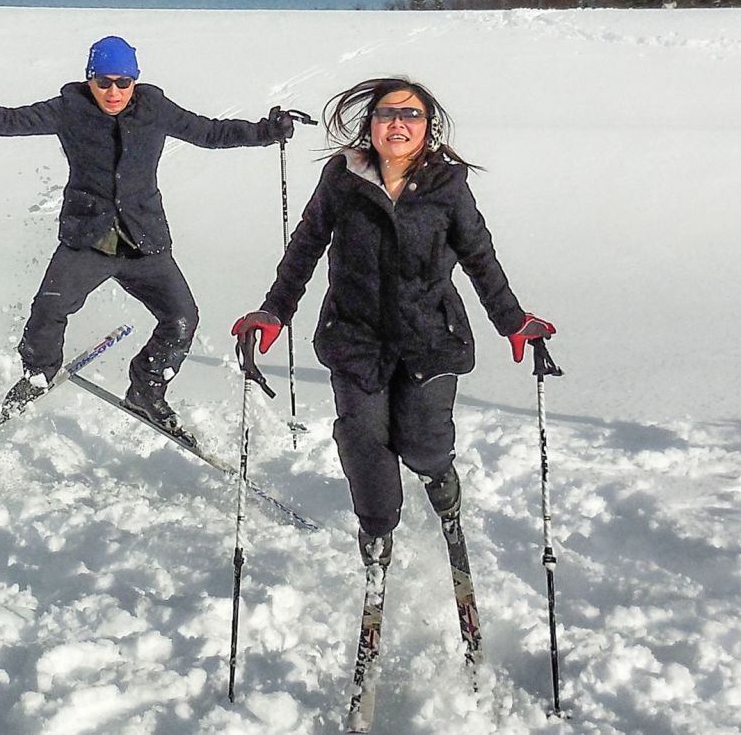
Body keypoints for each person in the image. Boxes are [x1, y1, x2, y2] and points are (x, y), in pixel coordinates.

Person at [230, 77, 551, 565]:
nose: (398, 124)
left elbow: (478, 254)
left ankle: (441, 483)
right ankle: (377, 533)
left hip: (431, 337)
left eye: (411, 115)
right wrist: (274, 310)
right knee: (363, 441)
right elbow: (306, 245)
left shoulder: (448, 184)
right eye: (387, 114)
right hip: (356, 336)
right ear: (371, 124)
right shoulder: (343, 177)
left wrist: (511, 320)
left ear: (428, 127)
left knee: (423, 441)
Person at [0, 34, 297, 438]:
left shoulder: (154, 108)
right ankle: (37, 374)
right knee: (48, 310)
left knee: (182, 318)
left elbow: (209, 132)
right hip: (90, 238)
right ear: (89, 80)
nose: (113, 91)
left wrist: (264, 132)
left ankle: (147, 388)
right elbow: (10, 121)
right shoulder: (71, 108)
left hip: (144, 241)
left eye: (123, 82)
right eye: (103, 82)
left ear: (135, 81)